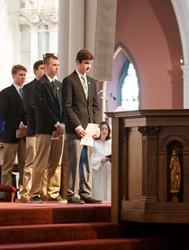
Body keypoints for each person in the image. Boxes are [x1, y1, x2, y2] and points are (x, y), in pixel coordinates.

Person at [62, 49, 102, 204]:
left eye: (90, 63)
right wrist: (78, 126)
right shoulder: (69, 80)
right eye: (86, 63)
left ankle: (85, 193)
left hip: (90, 130)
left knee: (86, 162)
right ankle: (72, 194)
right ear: (78, 62)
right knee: (74, 162)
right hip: (75, 130)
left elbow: (95, 106)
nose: (88, 66)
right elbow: (67, 106)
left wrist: (96, 126)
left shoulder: (91, 82)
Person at [29, 54, 65, 203]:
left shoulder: (59, 85)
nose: (57, 67)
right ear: (46, 66)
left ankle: (52, 192)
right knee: (41, 162)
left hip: (59, 129)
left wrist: (62, 124)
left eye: (58, 65)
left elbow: (62, 106)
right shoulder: (40, 84)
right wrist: (56, 124)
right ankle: (35, 194)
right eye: (54, 65)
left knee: (55, 162)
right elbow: (43, 108)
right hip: (45, 128)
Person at [0, 65, 27, 194]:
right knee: (7, 166)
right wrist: (19, 124)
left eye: (24, 75)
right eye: (20, 75)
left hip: (25, 134)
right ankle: (6, 191)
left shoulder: (27, 92)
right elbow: (5, 113)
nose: (23, 77)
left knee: (25, 165)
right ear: (13, 76)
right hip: (11, 133)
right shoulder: (6, 92)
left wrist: (27, 125)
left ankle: (24, 191)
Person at [20, 60, 46, 202]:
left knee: (44, 164)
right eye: (42, 68)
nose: (44, 70)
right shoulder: (28, 88)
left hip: (48, 131)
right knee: (31, 163)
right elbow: (30, 108)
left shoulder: (50, 86)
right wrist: (47, 117)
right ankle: (26, 192)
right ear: (35, 71)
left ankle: (42, 192)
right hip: (34, 130)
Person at [91, 121, 112, 201]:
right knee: (99, 193)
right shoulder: (94, 143)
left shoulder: (111, 143)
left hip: (109, 171)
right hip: (98, 172)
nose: (104, 131)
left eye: (106, 129)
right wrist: (101, 159)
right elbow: (90, 160)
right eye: (102, 129)